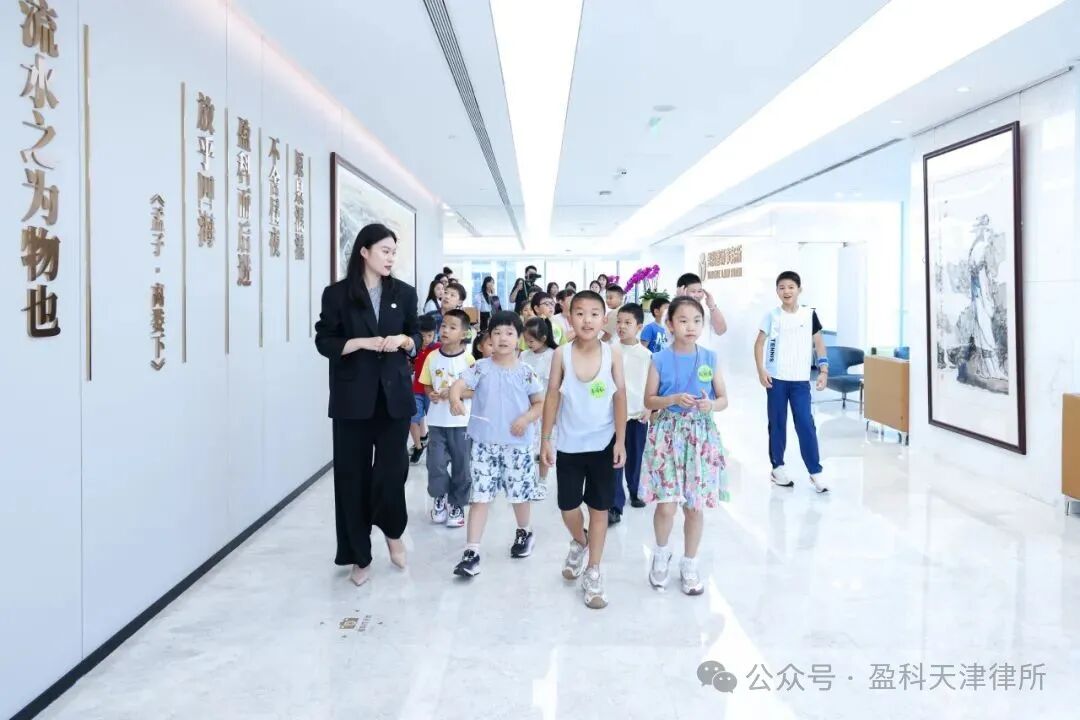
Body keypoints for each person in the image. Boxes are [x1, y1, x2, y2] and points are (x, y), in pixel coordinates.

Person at [314, 223, 418, 587]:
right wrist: (360, 343)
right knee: (352, 478)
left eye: (393, 252)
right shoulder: (337, 294)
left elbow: (416, 335)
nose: (391, 258)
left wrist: (405, 340)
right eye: (385, 251)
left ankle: (392, 530)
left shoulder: (404, 293)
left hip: (394, 399)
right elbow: (325, 341)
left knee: (391, 472)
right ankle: (359, 556)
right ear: (364, 251)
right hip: (352, 400)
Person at [541, 291, 627, 610]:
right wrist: (545, 439)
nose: (587, 320)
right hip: (569, 445)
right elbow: (552, 395)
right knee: (568, 506)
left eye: (594, 313)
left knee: (600, 509)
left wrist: (620, 441)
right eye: (579, 313)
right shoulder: (561, 354)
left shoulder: (613, 352)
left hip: (604, 444)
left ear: (604, 319)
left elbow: (620, 396)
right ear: (569, 318)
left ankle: (594, 570)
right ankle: (580, 540)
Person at [642, 296, 729, 596]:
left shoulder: (710, 358)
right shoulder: (659, 359)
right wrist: (673, 399)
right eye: (683, 320)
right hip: (667, 435)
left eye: (696, 321)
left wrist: (710, 405)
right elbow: (649, 400)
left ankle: (690, 563)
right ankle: (661, 554)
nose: (690, 327)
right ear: (670, 324)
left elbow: (723, 399)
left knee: (694, 507)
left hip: (700, 437)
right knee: (666, 505)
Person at [449, 311, 545, 578]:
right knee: (480, 497)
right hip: (484, 445)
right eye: (497, 332)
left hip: (517, 446)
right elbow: (458, 385)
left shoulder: (526, 372)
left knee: (519, 494)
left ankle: (524, 532)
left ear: (519, 338)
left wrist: (525, 419)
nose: (503, 338)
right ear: (489, 337)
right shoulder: (481, 367)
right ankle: (471, 552)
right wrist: (455, 399)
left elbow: (540, 403)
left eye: (509, 333)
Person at [754, 270, 829, 493]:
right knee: (777, 424)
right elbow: (759, 343)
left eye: (790, 287)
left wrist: (824, 370)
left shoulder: (809, 314)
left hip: (800, 381)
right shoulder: (772, 315)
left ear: (799, 290)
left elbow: (819, 344)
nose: (786, 291)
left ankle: (815, 472)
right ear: (777, 291)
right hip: (776, 379)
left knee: (805, 423)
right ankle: (777, 468)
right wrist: (761, 370)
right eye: (781, 287)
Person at [421, 309, 475, 530]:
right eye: (443, 325)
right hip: (436, 422)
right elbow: (426, 383)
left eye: (452, 327)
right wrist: (431, 394)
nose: (445, 330)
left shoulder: (468, 359)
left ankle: (457, 505)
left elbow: (474, 390)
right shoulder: (432, 357)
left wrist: (454, 393)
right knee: (435, 464)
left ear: (464, 333)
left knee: (462, 467)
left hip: (461, 423)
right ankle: (440, 497)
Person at [610, 303, 652, 524]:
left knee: (635, 457)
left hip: (637, 414)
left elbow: (652, 385)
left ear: (639, 327)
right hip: (613, 416)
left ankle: (635, 491)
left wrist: (649, 408)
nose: (622, 326)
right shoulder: (608, 350)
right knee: (615, 459)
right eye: (619, 322)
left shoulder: (647, 355)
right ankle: (615, 506)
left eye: (628, 322)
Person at [522, 317, 558, 501]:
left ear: (543, 338)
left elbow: (556, 387)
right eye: (526, 340)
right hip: (528, 410)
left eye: (531, 341)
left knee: (545, 445)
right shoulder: (524, 356)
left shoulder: (554, 355)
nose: (528, 345)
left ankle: (542, 481)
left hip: (546, 410)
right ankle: (529, 479)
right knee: (528, 446)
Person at [409, 315, 439, 464]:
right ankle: (418, 446)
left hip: (432, 391)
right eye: (422, 336)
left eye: (430, 335)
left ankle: (434, 447)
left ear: (434, 334)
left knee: (434, 421)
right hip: (416, 390)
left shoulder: (438, 349)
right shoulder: (412, 349)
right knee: (412, 418)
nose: (426, 339)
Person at [674, 273, 727, 349]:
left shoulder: (705, 310)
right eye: (693, 291)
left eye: (699, 291)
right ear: (681, 290)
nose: (697, 295)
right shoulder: (671, 310)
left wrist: (712, 306)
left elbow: (721, 331)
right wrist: (680, 302)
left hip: (704, 355)